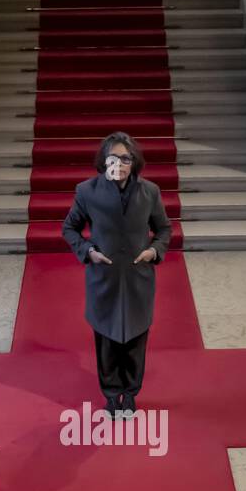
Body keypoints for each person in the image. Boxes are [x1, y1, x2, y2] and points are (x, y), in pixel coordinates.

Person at [62, 131, 171, 416]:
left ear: (134, 162)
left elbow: (164, 230)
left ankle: (130, 394)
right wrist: (88, 251)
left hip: (138, 279)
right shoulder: (87, 191)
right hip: (104, 280)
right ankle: (111, 395)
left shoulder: (150, 192)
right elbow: (69, 228)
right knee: (108, 343)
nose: (120, 164)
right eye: (113, 158)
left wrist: (153, 251)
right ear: (104, 161)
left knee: (135, 342)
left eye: (126, 158)